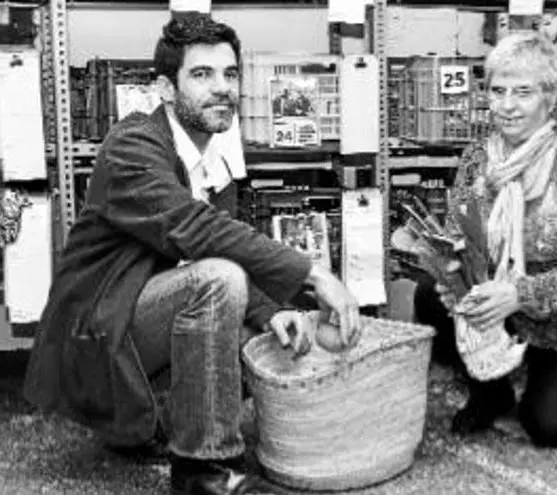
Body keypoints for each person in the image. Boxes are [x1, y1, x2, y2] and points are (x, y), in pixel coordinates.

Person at [23, 13, 361, 495]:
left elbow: (222, 245)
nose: (222, 88)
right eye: (201, 74)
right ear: (166, 88)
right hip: (100, 335)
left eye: (230, 74)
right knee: (218, 280)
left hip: (146, 321)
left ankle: (154, 424)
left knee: (264, 329)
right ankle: (204, 471)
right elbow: (196, 231)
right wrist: (314, 275)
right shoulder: (132, 146)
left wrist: (271, 312)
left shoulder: (215, 157)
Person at [413, 32, 557, 448]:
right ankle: (490, 392)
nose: (507, 105)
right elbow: (457, 236)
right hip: (503, 308)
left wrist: (520, 294)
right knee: (428, 295)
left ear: (550, 97)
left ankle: (541, 367)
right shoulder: (477, 158)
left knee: (552, 427)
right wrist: (453, 280)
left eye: (523, 92)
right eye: (498, 91)